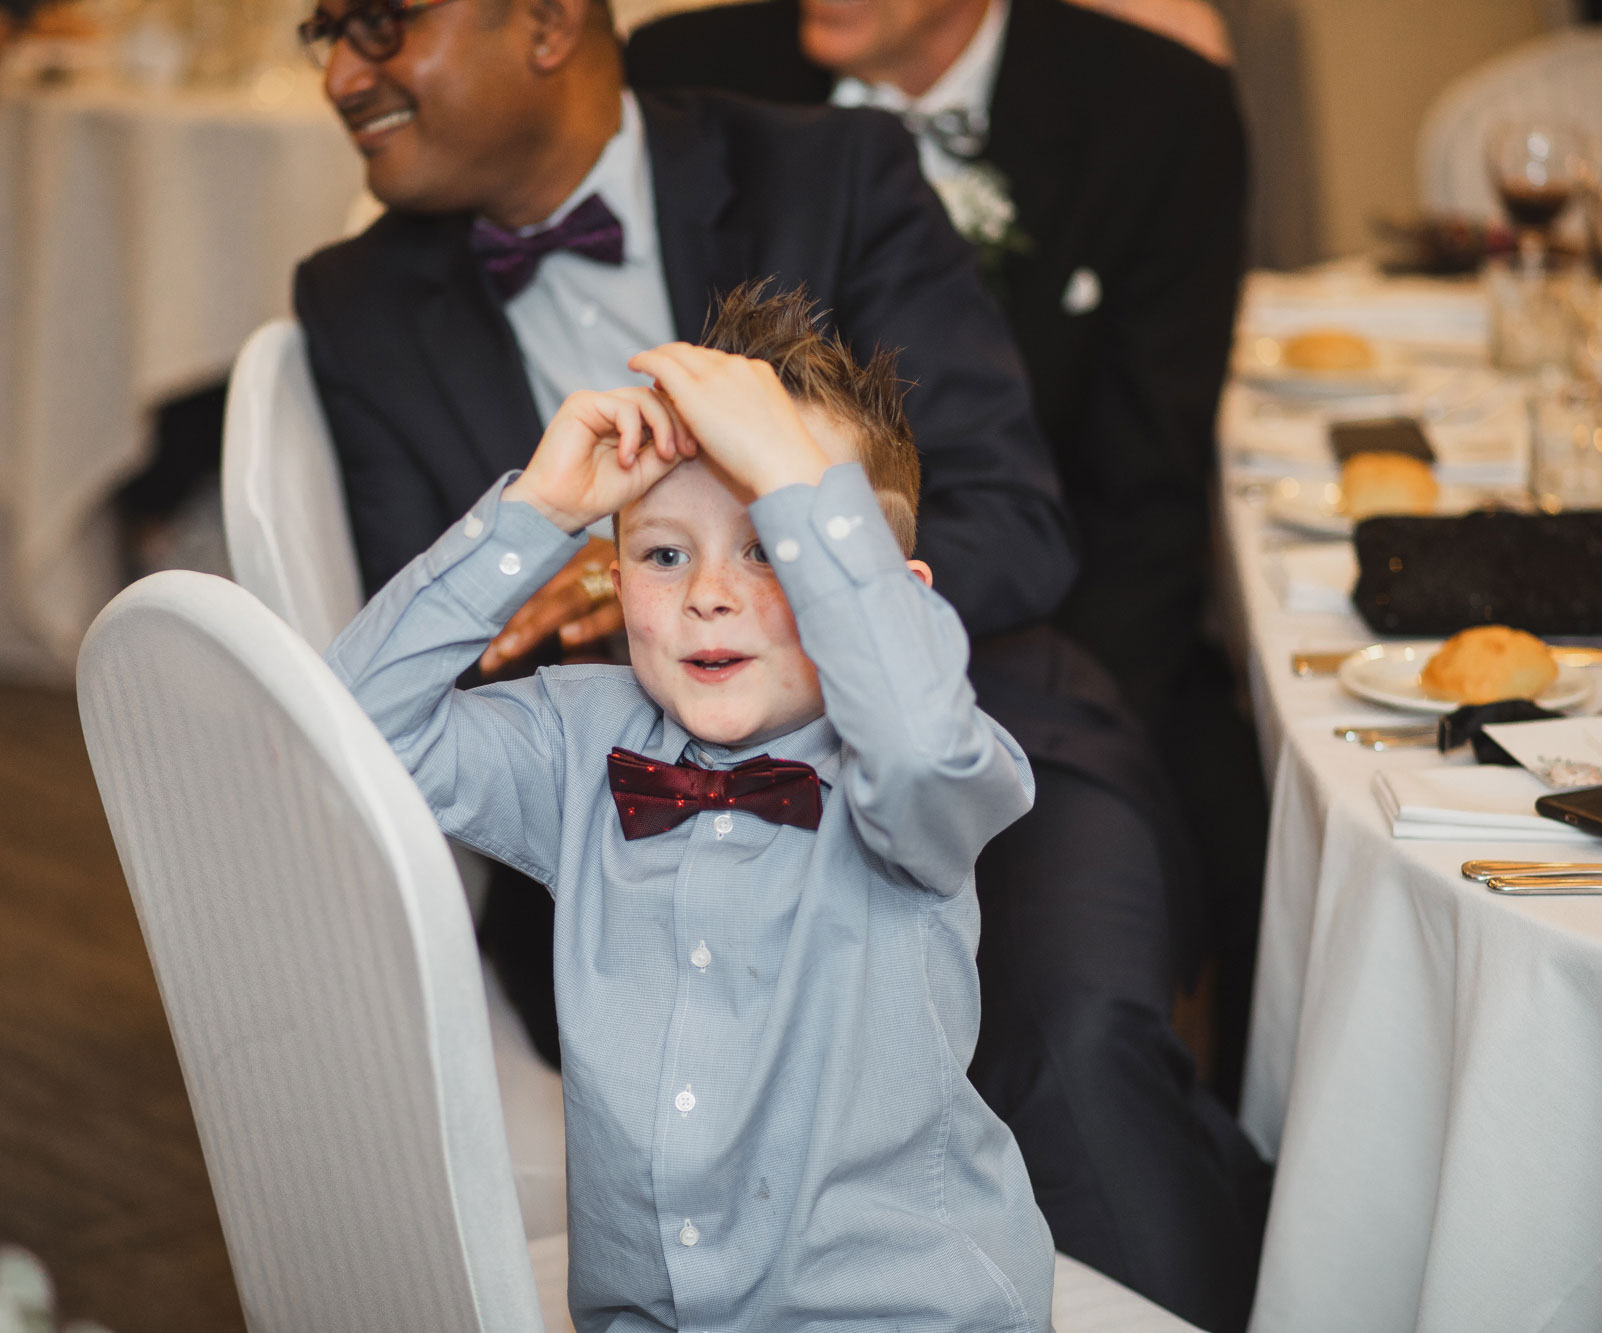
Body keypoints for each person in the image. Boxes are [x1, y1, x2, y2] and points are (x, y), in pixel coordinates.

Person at [294, 0, 1268, 1325]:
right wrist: (537, 525)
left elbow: (1008, 518)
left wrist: (812, 526)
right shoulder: (351, 301)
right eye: (323, 32)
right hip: (615, 779)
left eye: (384, 22)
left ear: (546, 22)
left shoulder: (831, 168)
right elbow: (367, 720)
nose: (343, 72)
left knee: (1080, 1044)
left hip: (960, 687)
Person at [326, 285, 1057, 1331]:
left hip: (900, 1312)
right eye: (664, 554)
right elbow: (344, 732)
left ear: (892, 593)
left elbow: (921, 738)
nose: (708, 593)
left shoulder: (908, 765)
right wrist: (534, 515)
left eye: (771, 548)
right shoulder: (578, 741)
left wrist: (801, 485)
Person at [624, 0, 1272, 1107]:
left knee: (1220, 879)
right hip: (747, 660)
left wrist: (1009, 721)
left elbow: (1146, 497)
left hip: (1052, 629)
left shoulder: (1161, 107)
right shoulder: (683, 72)